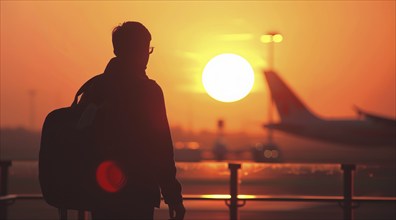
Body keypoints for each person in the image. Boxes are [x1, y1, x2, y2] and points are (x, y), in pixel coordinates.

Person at [80, 21, 185, 220]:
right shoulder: (148, 91)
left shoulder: (95, 88)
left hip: (101, 192)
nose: (147, 55)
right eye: (146, 49)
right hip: (138, 192)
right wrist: (173, 196)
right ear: (140, 50)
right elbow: (161, 147)